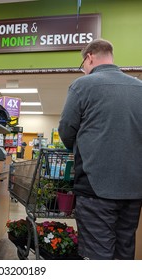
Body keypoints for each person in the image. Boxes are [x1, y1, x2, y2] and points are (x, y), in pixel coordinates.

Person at [58, 38, 142, 260]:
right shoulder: (139, 88)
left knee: (97, 255)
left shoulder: (82, 85)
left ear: (90, 57)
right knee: (124, 250)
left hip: (96, 187)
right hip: (134, 189)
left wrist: (78, 147)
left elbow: (66, 129)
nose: (84, 70)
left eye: (83, 65)